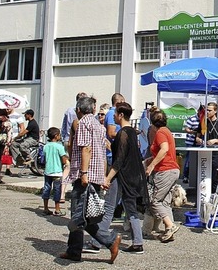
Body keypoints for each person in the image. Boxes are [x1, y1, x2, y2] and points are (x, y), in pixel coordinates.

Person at [59, 96, 121, 264]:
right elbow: (102, 152)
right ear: (93, 110)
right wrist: (102, 176)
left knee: (79, 215)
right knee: (83, 214)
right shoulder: (99, 126)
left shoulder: (83, 124)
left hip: (84, 175)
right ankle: (74, 249)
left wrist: (84, 173)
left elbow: (86, 148)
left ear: (79, 109)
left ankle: (108, 240)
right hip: (95, 174)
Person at [102, 102, 148, 254]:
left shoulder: (123, 133)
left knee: (109, 208)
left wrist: (107, 178)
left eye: (115, 114)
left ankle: (97, 240)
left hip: (123, 176)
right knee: (131, 209)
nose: (113, 116)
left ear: (121, 115)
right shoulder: (132, 132)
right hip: (133, 175)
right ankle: (138, 242)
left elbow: (119, 160)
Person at [145, 109, 180, 243]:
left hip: (165, 170)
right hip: (172, 170)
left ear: (152, 123)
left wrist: (152, 165)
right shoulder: (167, 131)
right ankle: (168, 230)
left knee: (155, 201)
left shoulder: (160, 133)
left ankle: (170, 226)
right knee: (165, 201)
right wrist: (150, 160)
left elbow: (164, 149)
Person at [194, 102, 218, 188]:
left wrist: (215, 140)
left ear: (215, 111)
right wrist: (200, 140)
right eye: (206, 110)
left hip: (216, 155)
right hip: (204, 154)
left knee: (215, 177)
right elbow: (197, 137)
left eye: (209, 110)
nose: (207, 112)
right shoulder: (203, 123)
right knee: (203, 176)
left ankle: (214, 196)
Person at [42, 127, 68, 216]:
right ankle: (57, 209)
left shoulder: (46, 146)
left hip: (48, 171)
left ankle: (45, 208)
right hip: (57, 171)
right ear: (56, 136)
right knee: (57, 190)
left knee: (46, 189)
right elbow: (64, 160)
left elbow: (44, 158)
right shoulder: (59, 147)